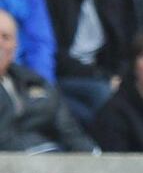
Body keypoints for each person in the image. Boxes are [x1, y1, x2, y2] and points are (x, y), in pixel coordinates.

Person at [0, 9, 96, 153]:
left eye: (5, 37)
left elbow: (69, 131)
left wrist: (95, 157)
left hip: (50, 162)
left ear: (15, 46)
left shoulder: (34, 82)